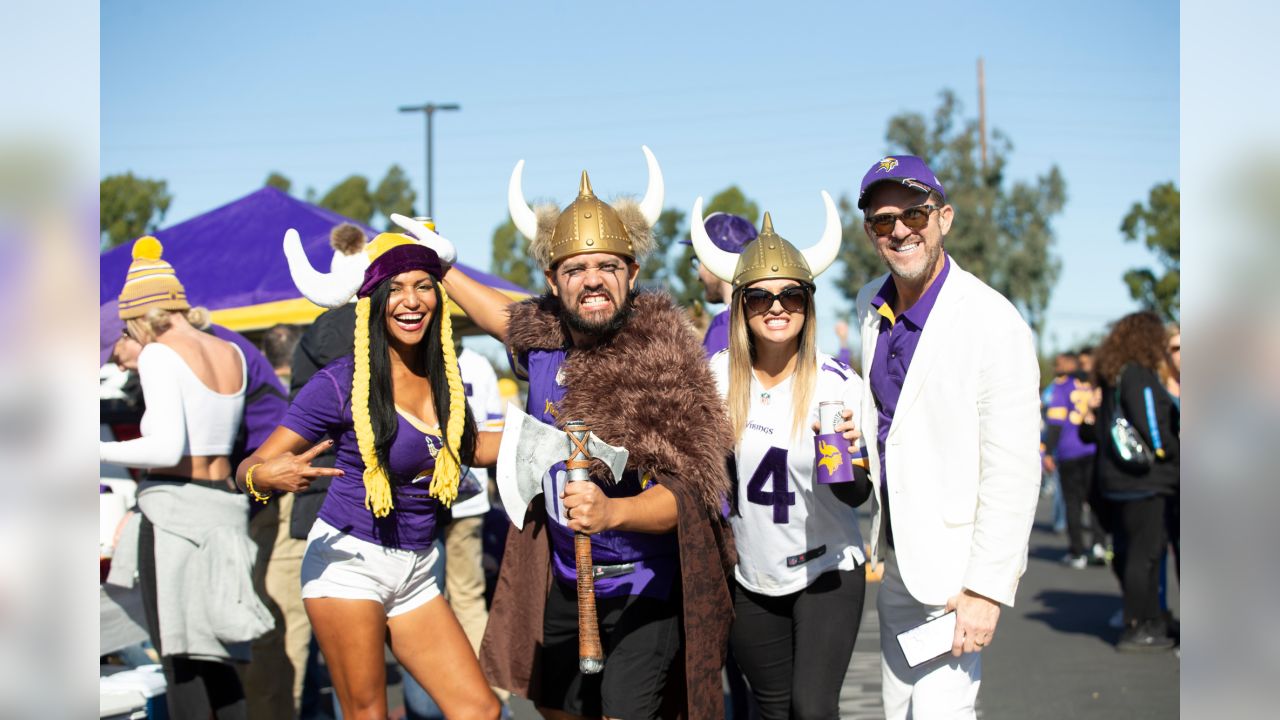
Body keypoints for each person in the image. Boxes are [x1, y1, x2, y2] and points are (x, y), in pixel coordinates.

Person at [394, 146, 735, 720]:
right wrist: (442, 269)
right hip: (563, 580)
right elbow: (501, 317)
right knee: (557, 709)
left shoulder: (667, 362)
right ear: (553, 281)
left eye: (608, 266)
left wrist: (612, 513)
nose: (593, 280)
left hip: (643, 590)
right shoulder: (546, 343)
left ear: (633, 273)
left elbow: (688, 494)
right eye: (576, 269)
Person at [240, 228, 502, 719]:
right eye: (396, 289)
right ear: (374, 301)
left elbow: (469, 447)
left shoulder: (445, 378)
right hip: (349, 563)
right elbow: (249, 466)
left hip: (418, 566)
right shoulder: (340, 382)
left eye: (423, 286)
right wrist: (265, 478)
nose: (411, 300)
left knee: (479, 709)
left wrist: (556, 441)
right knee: (368, 713)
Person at [851, 155, 1041, 718]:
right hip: (898, 564)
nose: (902, 229)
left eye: (916, 213)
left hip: (957, 575)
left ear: (945, 219)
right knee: (897, 711)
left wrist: (986, 589)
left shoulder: (992, 320)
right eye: (885, 220)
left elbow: (1013, 468)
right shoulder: (869, 304)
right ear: (871, 232)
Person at [691, 195, 872, 719]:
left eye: (791, 295)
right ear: (740, 304)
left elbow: (855, 494)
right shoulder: (715, 378)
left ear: (809, 303)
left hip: (826, 569)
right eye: (760, 297)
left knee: (811, 708)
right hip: (751, 574)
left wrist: (848, 462)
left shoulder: (837, 385)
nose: (776, 307)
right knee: (770, 710)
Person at [100, 237, 269, 720]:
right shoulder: (229, 351)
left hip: (176, 510)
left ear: (139, 314)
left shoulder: (158, 354)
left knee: (181, 661)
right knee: (219, 657)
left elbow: (167, 448)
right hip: (224, 505)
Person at [1084, 311, 1179, 653]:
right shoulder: (1138, 374)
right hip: (1144, 479)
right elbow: (1152, 426)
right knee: (1146, 553)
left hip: (1116, 478)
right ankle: (1139, 625)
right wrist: (1170, 451)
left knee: (1131, 550)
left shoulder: (1113, 374)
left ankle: (1145, 619)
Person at [1041, 352, 1103, 568]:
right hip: (1094, 448)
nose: (1056, 366)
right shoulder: (1091, 384)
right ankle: (1099, 545)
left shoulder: (1062, 386)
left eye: (1059, 363)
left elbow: (1056, 422)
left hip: (1070, 450)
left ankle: (1077, 552)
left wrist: (1048, 452)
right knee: (1095, 500)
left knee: (1073, 503)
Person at [679, 211, 757, 356]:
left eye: (699, 259)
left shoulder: (724, 325)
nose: (698, 276)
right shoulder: (763, 323)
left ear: (715, 258)